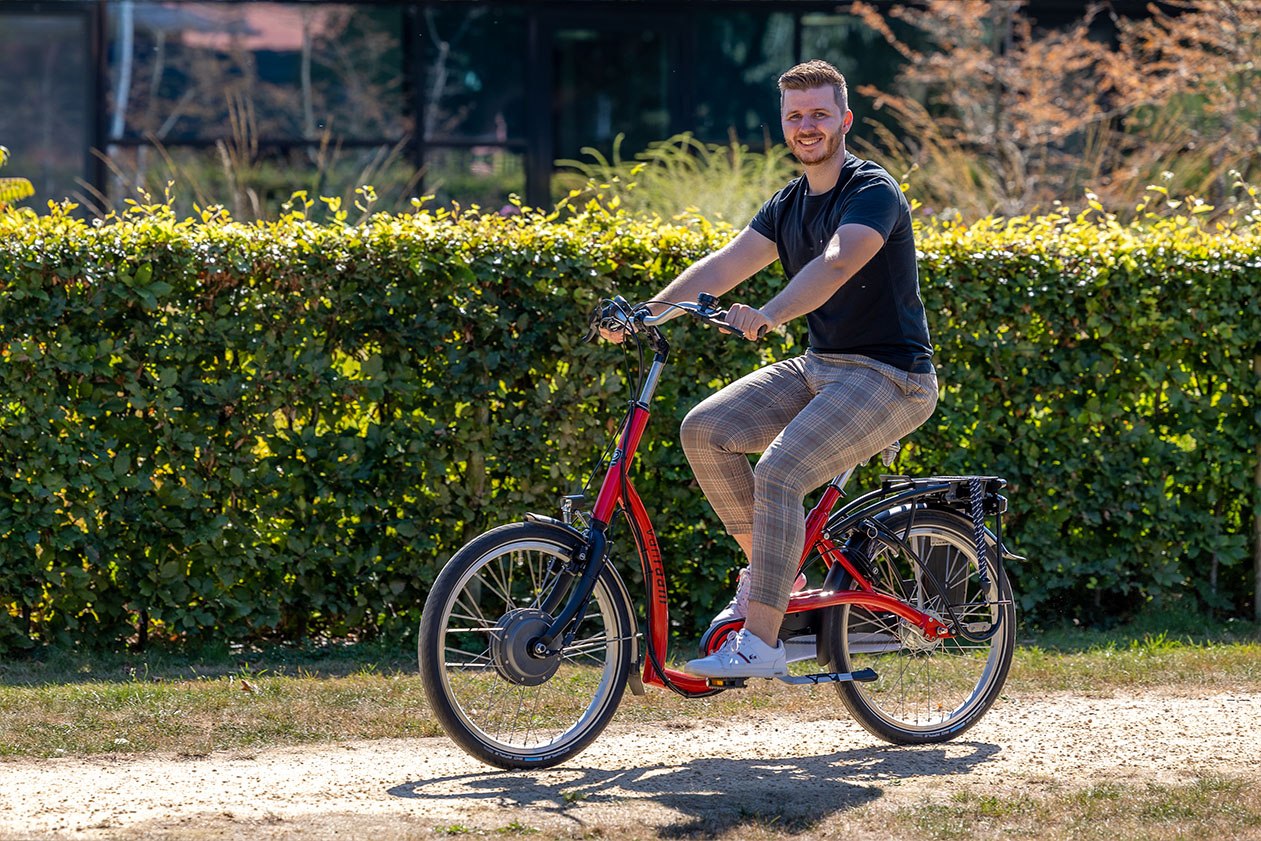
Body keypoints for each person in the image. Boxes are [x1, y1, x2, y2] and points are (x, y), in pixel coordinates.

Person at [603, 60, 938, 679]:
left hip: (892, 378)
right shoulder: (787, 203)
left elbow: (838, 263)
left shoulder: (871, 191)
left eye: (819, 114)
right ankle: (773, 576)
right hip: (822, 367)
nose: (807, 126)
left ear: (844, 119)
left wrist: (773, 313)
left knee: (780, 470)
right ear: (784, 126)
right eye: (795, 116)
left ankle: (761, 641)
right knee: (705, 430)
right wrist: (646, 314)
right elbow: (723, 266)